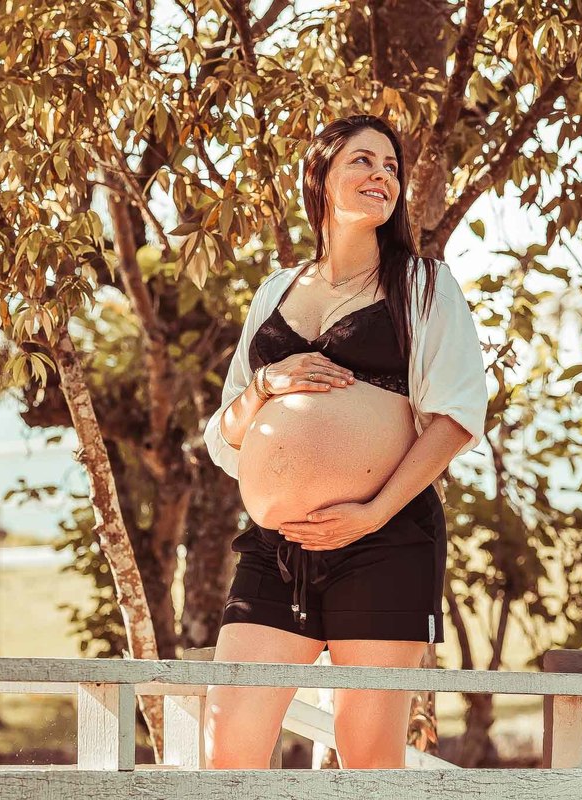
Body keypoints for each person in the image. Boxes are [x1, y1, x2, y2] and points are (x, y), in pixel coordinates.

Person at [201, 114, 489, 769]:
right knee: (228, 743)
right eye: (362, 160)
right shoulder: (275, 292)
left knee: (368, 755)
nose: (381, 175)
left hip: (386, 540)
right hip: (276, 546)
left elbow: (454, 417)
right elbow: (226, 433)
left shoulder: (424, 285)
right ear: (320, 177)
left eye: (391, 166)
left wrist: (373, 513)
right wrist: (267, 383)